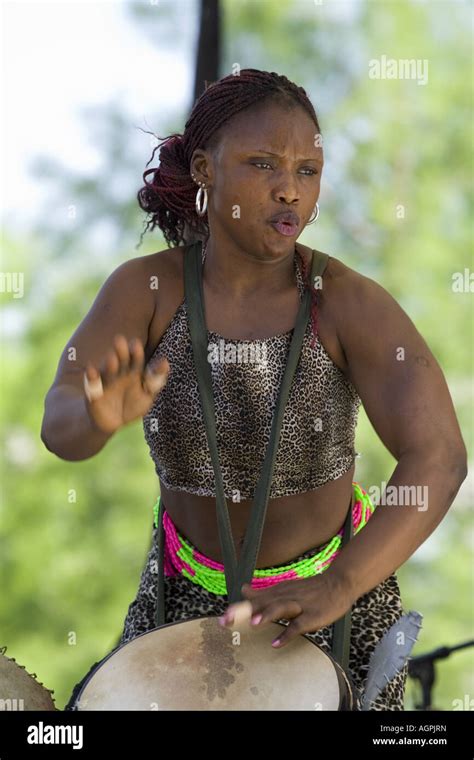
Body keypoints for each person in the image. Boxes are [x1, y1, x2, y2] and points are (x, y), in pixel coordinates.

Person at [41, 69, 467, 711]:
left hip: (326, 598)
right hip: (182, 599)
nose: (289, 191)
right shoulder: (146, 291)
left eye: (307, 171)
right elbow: (59, 424)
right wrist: (94, 419)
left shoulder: (345, 301)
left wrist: (342, 583)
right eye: (264, 164)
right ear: (207, 170)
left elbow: (439, 454)